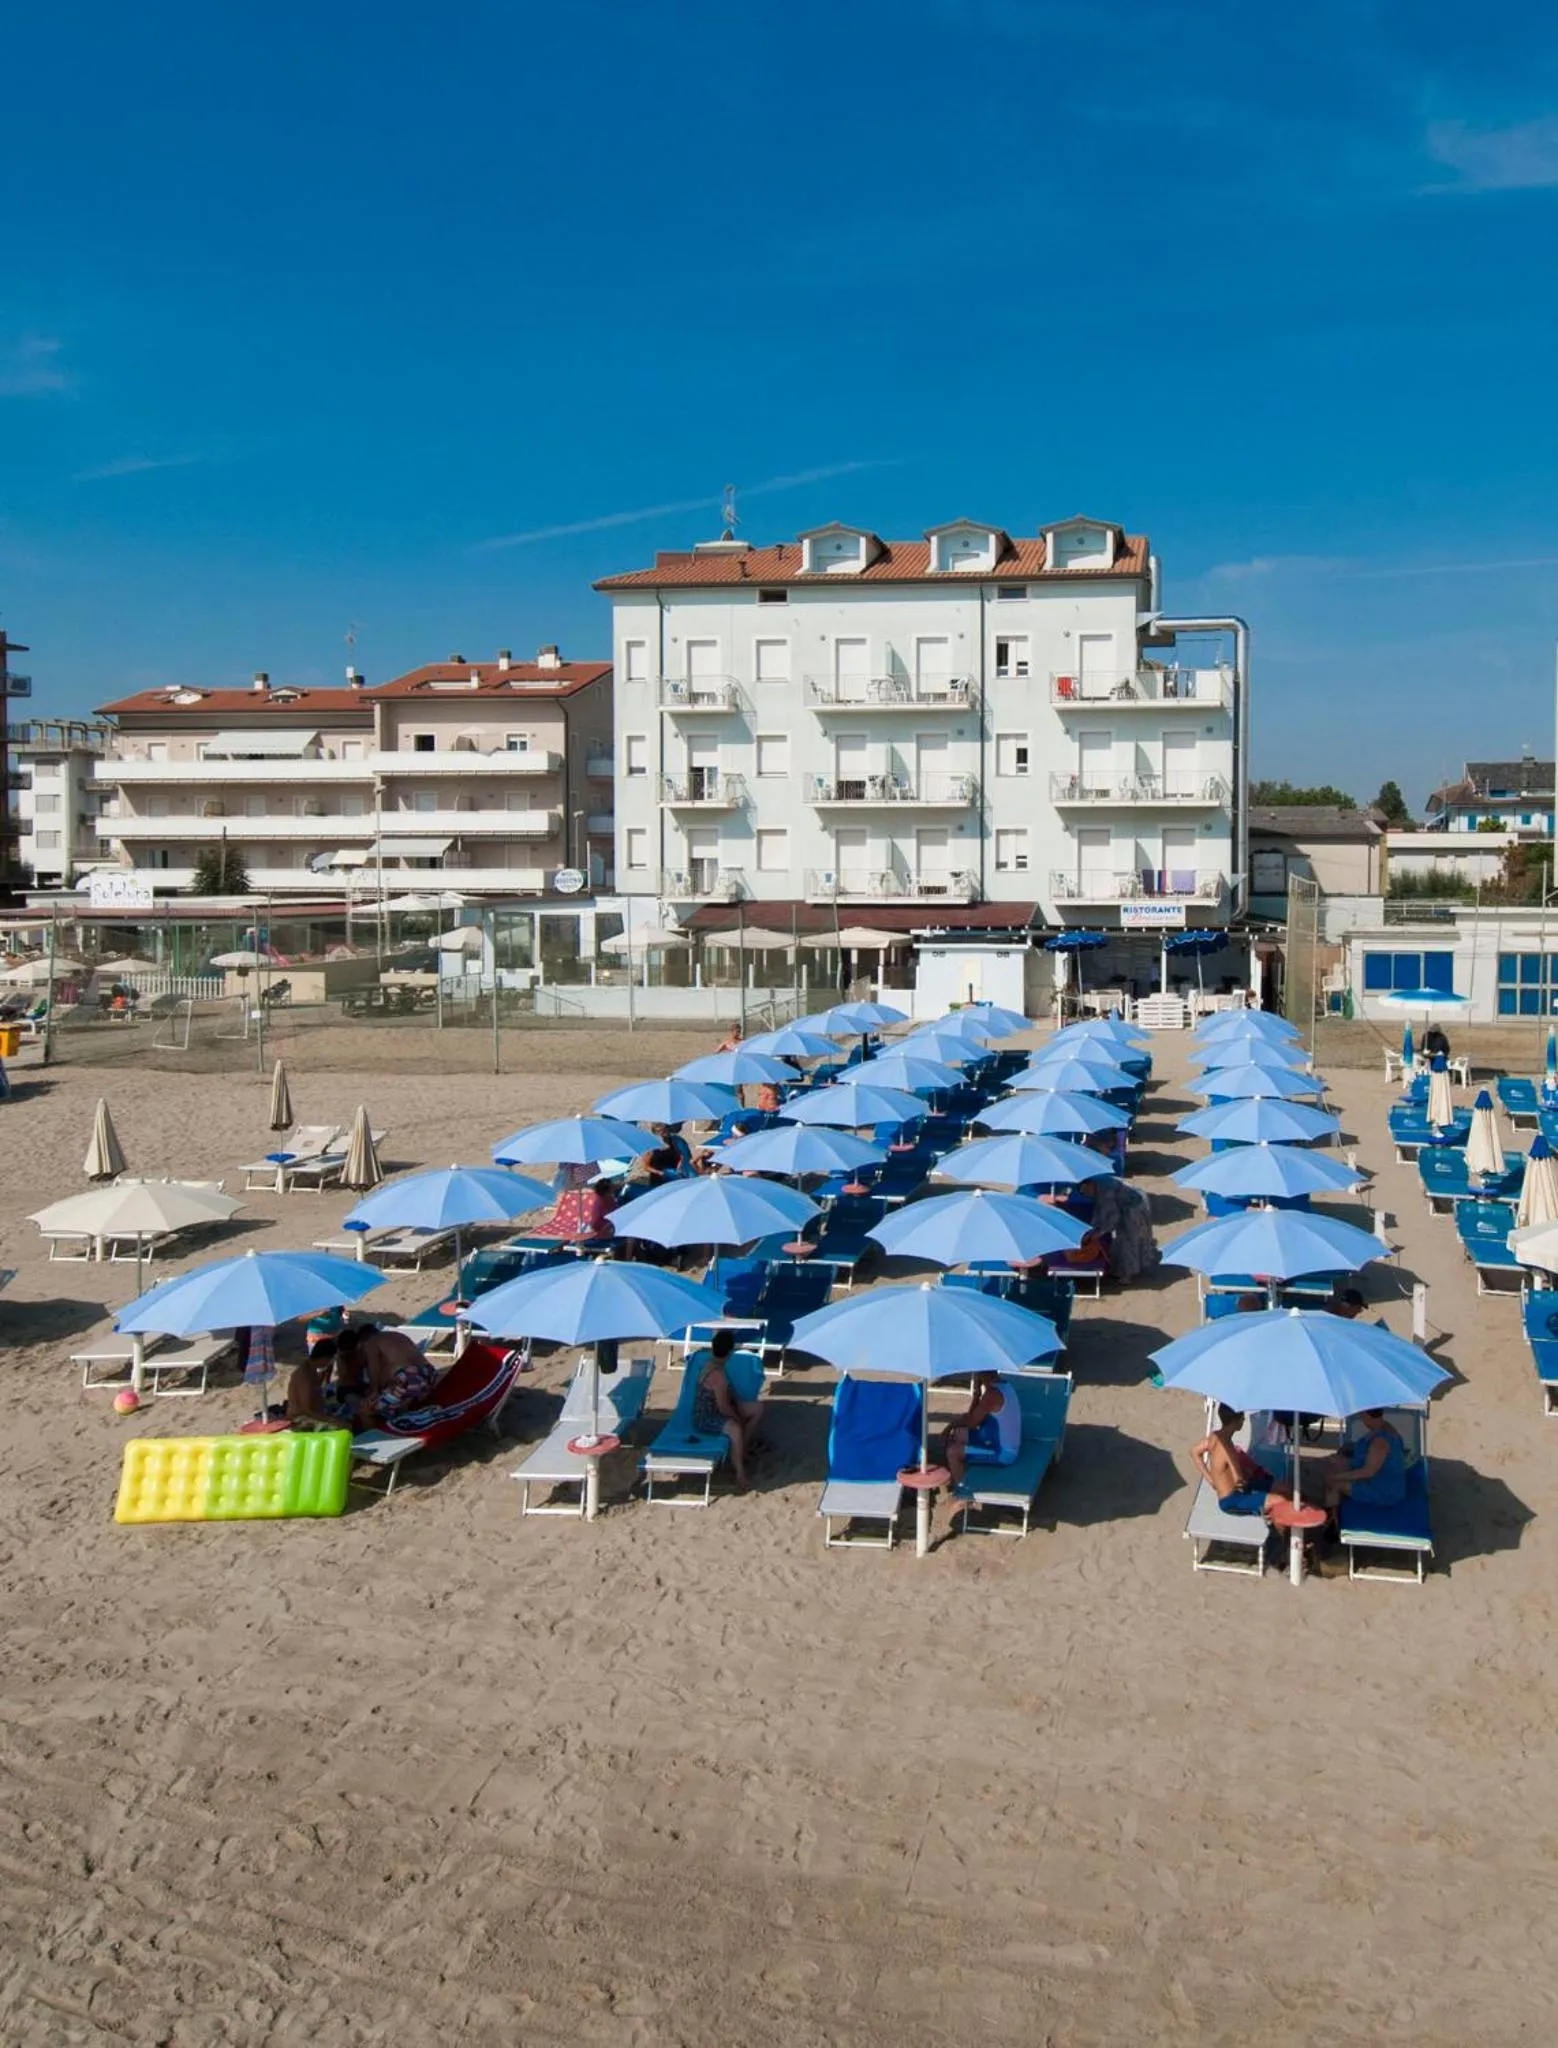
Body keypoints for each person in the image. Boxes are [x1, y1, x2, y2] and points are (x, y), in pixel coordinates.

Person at [690, 1329, 765, 1491]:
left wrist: (739, 1408)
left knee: (757, 1408)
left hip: (717, 1409)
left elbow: (729, 1399)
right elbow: (723, 1408)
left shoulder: (713, 1364)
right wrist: (737, 1418)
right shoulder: (717, 1374)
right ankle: (740, 1473)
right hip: (705, 1417)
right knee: (735, 1429)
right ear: (730, 1351)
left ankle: (742, 1450)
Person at [1190, 1404, 1291, 1518]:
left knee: (1284, 1489)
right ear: (1235, 1421)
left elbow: (1194, 1452)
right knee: (1282, 1500)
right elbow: (1239, 1480)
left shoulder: (1215, 1436)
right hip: (1232, 1500)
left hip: (1238, 1490)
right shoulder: (1227, 1448)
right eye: (1242, 1417)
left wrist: (1211, 1480)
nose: (1243, 1419)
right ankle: (1279, 1534)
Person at [1319, 1409, 1407, 1517]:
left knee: (1333, 1484)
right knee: (1334, 1464)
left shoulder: (1380, 1442)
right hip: (1378, 1478)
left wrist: (1336, 1477)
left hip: (1383, 1490)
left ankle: (1331, 1524)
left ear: (1366, 1416)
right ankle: (1335, 1508)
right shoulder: (1384, 1427)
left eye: (1362, 1416)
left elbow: (1368, 1472)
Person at [943, 1372, 1022, 1489]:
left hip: (1002, 1453)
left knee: (952, 1452)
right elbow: (973, 1417)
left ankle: (963, 1491)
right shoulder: (1005, 1386)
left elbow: (971, 1422)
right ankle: (961, 1471)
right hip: (996, 1439)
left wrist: (949, 1426)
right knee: (959, 1433)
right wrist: (977, 1394)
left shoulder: (991, 1395)